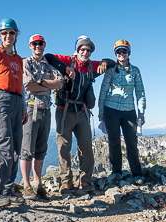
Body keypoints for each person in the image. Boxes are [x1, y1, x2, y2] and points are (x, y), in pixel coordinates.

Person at [45, 35, 115, 194]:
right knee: (64, 147)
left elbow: (112, 62)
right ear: (77, 50)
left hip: (83, 112)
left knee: (86, 147)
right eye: (82, 49)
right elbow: (48, 56)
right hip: (65, 111)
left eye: (88, 50)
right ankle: (66, 182)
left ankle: (85, 181)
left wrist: (104, 61)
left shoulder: (93, 66)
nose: (86, 52)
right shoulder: (68, 60)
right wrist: (65, 68)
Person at [0, 18, 28, 207]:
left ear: (17, 35)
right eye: (4, 33)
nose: (8, 36)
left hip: (17, 101)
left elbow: (22, 87)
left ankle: (7, 190)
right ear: (0, 36)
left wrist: (24, 107)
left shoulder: (18, 59)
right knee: (3, 147)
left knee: (16, 148)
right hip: (0, 100)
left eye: (11, 33)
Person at [20, 34, 69, 200]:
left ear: (44, 45)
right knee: (27, 149)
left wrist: (40, 82)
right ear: (29, 45)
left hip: (46, 110)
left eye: (40, 44)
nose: (37, 46)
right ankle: (26, 185)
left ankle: (37, 183)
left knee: (41, 150)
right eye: (34, 44)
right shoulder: (26, 62)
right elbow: (28, 85)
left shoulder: (48, 64)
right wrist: (46, 83)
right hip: (30, 109)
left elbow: (60, 83)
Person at [98, 39, 146, 185]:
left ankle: (137, 174)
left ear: (128, 53)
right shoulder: (111, 70)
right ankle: (116, 172)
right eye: (118, 51)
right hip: (110, 110)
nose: (121, 54)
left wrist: (141, 113)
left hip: (129, 111)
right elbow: (103, 91)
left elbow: (140, 93)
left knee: (131, 142)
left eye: (124, 51)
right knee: (114, 142)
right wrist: (101, 112)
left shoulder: (136, 71)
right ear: (115, 53)